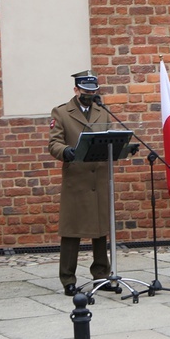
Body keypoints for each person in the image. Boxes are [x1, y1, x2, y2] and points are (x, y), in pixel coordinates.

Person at [48, 70, 115, 296]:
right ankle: (68, 278)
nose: (90, 95)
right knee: (72, 231)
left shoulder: (102, 111)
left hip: (98, 177)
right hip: (77, 178)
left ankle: (102, 275)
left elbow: (109, 136)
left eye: (93, 91)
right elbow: (54, 143)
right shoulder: (61, 113)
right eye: (86, 91)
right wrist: (66, 151)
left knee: (100, 231)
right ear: (76, 90)